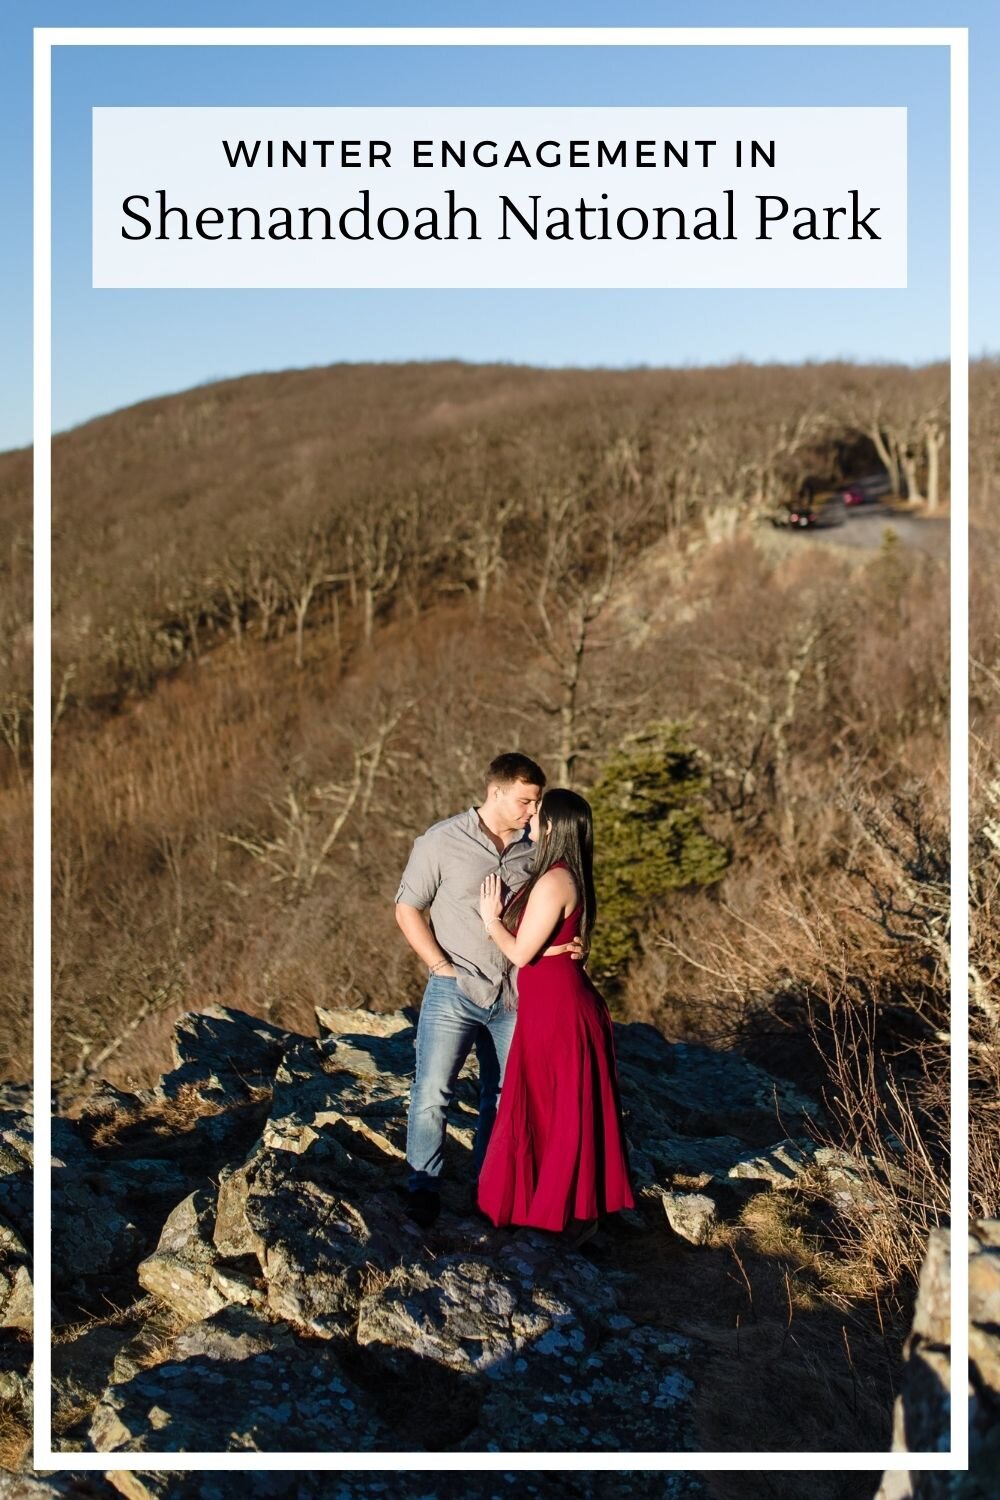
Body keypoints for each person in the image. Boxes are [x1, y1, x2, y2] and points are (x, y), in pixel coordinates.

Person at [395, 752, 582, 1229]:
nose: (532, 811)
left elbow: (551, 909)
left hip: (517, 996)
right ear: (495, 792)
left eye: (536, 802)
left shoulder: (535, 848)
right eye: (525, 800)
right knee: (433, 1091)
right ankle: (422, 1188)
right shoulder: (441, 841)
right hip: (455, 989)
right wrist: (439, 966)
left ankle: (488, 1188)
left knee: (501, 1098)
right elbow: (407, 908)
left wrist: (567, 946)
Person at [475, 787, 635, 1247]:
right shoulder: (561, 876)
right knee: (552, 1106)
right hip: (554, 1004)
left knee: (554, 1107)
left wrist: (491, 920)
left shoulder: (554, 880)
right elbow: (548, 945)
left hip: (558, 1011)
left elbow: (522, 954)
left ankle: (561, 1210)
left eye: (538, 814)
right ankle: (560, 1206)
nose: (530, 819)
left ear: (554, 825)